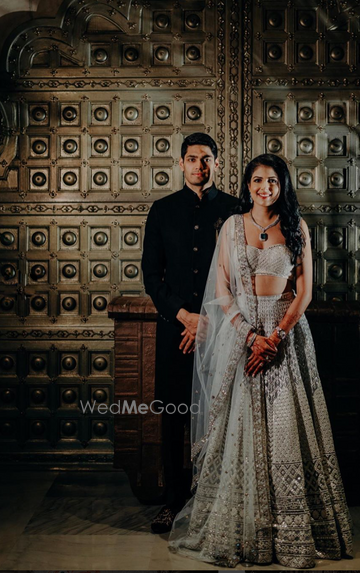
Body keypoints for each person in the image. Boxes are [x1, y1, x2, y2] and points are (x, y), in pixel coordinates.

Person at [168, 153, 354, 568]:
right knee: (240, 430)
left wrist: (276, 338)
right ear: (247, 185)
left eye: (271, 181)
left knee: (287, 429)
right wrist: (251, 337)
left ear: (282, 185)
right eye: (256, 180)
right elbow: (221, 288)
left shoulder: (296, 226)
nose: (264, 187)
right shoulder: (232, 227)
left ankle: (291, 534)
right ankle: (242, 531)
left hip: (286, 336)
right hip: (242, 336)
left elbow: (304, 290)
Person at [141, 133, 238, 533]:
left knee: (222, 416)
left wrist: (211, 319)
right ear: (181, 164)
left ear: (218, 163)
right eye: (192, 158)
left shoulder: (236, 209)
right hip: (176, 332)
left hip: (223, 332)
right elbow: (151, 276)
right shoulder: (162, 211)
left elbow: (240, 276)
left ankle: (217, 500)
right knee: (175, 419)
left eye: (207, 158)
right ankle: (172, 502)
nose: (200, 165)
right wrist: (185, 316)